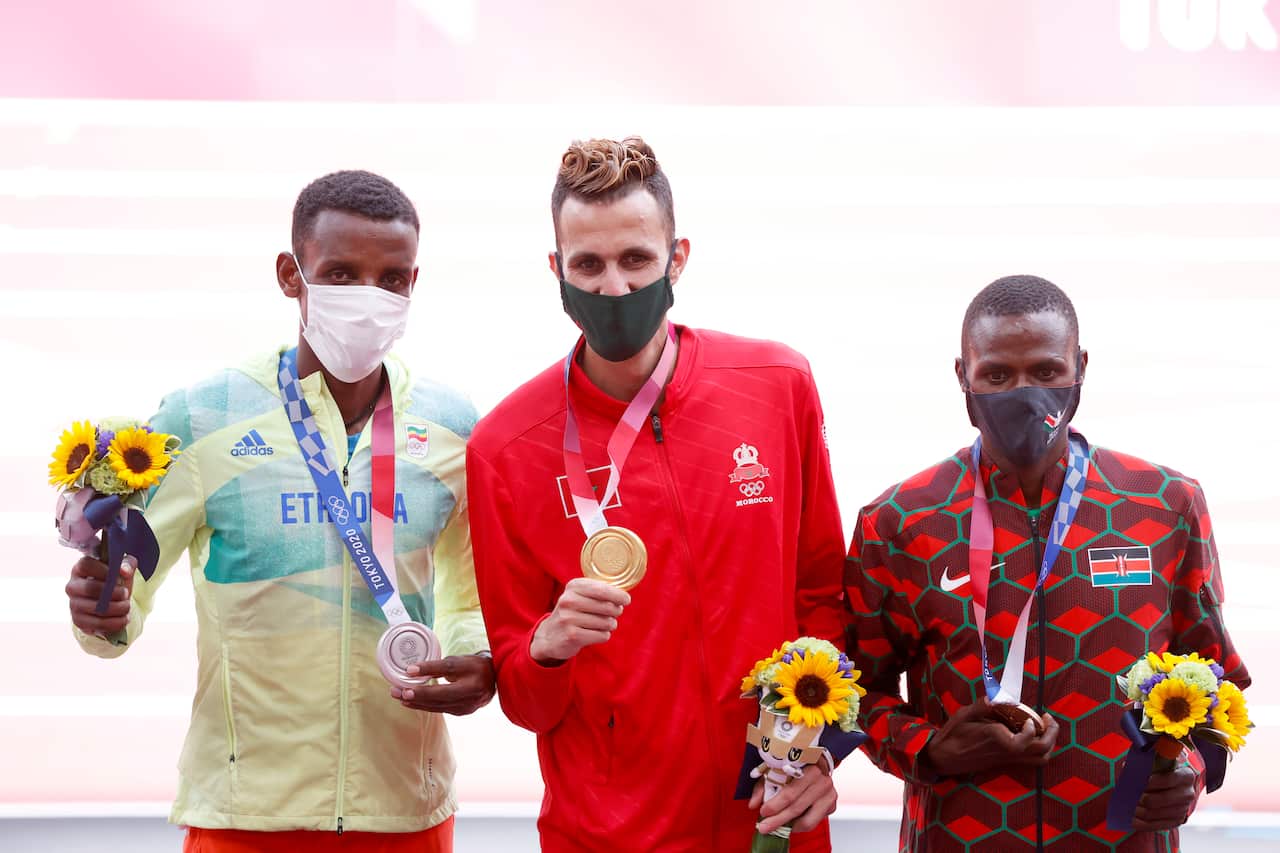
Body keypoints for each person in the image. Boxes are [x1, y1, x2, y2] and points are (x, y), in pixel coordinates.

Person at [63, 170, 494, 853]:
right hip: (242, 818)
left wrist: (477, 658)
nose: (368, 298)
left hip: (405, 813)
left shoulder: (453, 426)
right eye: (342, 273)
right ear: (291, 275)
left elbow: (470, 594)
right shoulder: (203, 416)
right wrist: (103, 612)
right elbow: (124, 593)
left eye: (392, 278)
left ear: (414, 283)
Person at [465, 137, 847, 851]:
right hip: (608, 835)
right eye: (588, 264)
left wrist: (814, 747)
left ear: (678, 258)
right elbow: (523, 699)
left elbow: (822, 594)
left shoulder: (776, 384)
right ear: (557, 269)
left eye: (636, 259)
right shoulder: (505, 448)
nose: (613, 287)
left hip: (770, 823)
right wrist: (546, 648)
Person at [844, 274, 1250, 852]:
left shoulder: (1164, 504)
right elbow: (855, 691)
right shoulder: (901, 521)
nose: (1024, 393)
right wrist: (927, 749)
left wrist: (1195, 769)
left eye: (1046, 371)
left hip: (1121, 840)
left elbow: (1217, 677)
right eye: (997, 376)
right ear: (963, 375)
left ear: (1079, 366)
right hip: (958, 837)